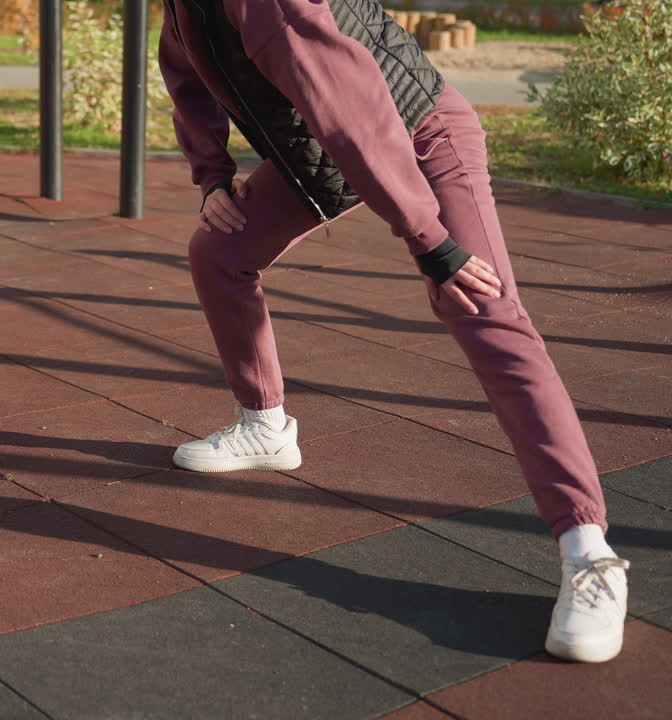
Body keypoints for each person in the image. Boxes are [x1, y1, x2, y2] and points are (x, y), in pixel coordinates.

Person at [157, 0, 630, 662]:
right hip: (331, 153)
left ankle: (589, 550)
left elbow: (349, 105)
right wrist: (212, 176)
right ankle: (264, 426)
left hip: (418, 131)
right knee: (219, 251)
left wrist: (430, 240)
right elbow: (185, 74)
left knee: (483, 309)